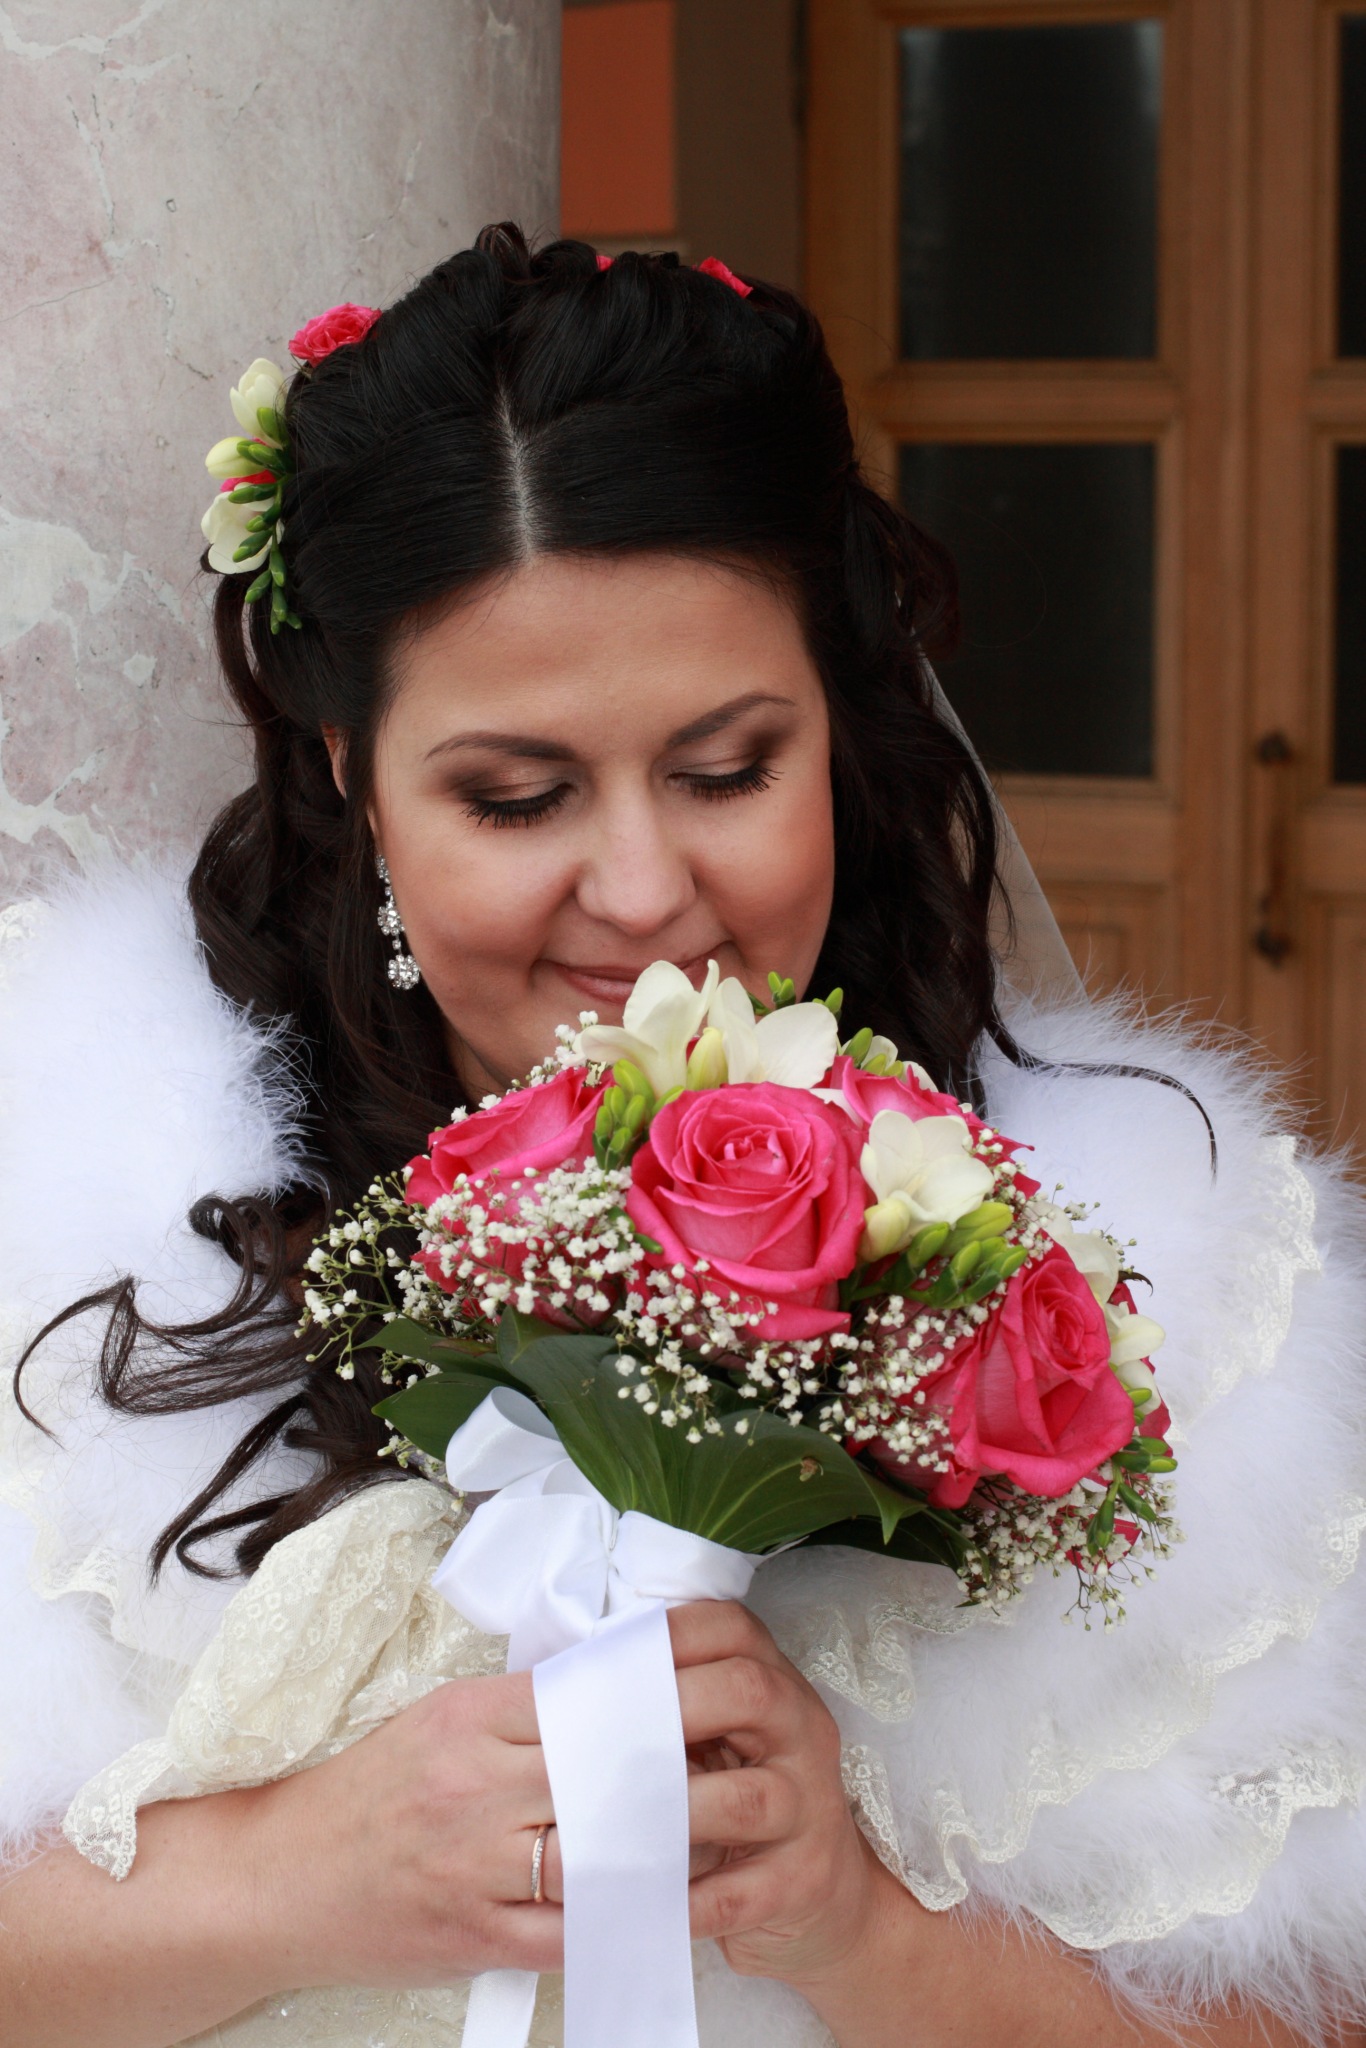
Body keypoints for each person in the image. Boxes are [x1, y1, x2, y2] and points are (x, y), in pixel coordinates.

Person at [1, 223, 1363, 2048]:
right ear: (348, 772)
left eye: (727, 771)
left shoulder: (1164, 1274)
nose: (643, 893)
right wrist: (289, 1881)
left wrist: (858, 1931)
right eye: (517, 796)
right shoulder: (59, 1184)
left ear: (843, 728)